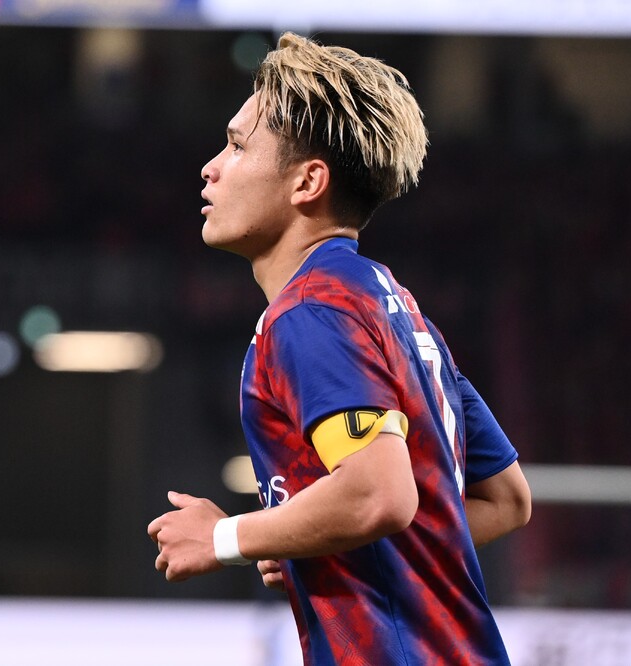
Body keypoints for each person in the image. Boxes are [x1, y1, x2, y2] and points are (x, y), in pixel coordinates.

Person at [148, 32, 531, 665]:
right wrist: (318, 542)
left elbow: (380, 495)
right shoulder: (397, 308)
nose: (211, 167)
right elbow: (506, 500)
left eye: (238, 146)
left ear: (308, 182)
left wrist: (224, 537)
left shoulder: (312, 312)